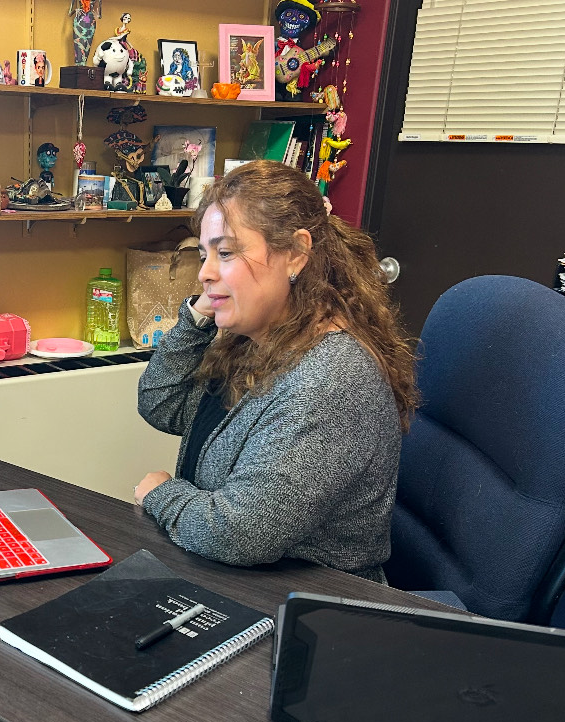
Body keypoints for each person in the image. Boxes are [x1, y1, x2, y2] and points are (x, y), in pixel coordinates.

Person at [135, 161, 417, 582]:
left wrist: (162, 494)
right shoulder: (257, 343)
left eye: (226, 252)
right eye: (203, 253)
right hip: (242, 577)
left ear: (297, 254)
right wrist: (198, 316)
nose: (204, 272)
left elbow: (240, 534)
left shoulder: (331, 378)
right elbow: (162, 404)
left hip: (314, 603)